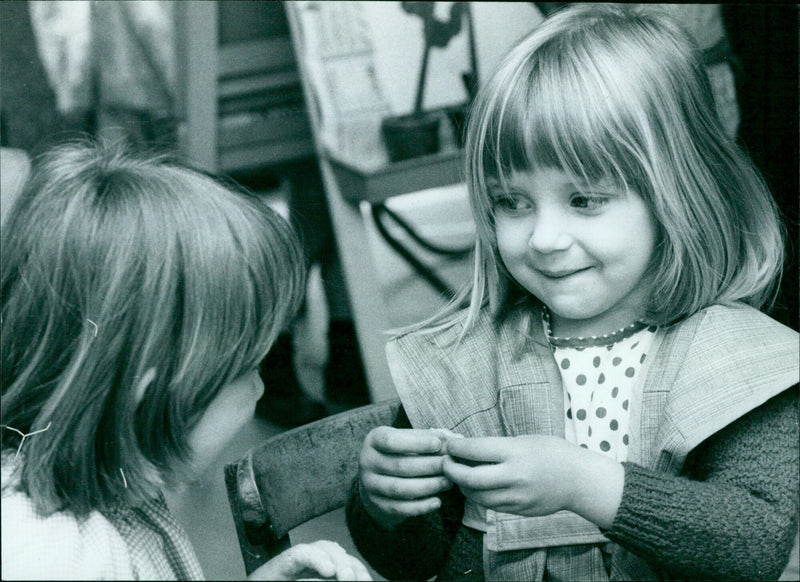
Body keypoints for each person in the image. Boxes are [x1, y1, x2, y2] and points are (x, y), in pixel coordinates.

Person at [345, 5, 799, 581]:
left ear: (678, 194)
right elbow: (413, 563)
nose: (543, 238)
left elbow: (755, 545)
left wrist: (587, 483)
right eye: (511, 202)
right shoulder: (465, 360)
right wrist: (385, 506)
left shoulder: (742, 361)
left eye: (584, 200)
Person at [0, 140, 371, 581]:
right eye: (248, 370)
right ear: (145, 400)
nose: (260, 388)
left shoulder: (106, 483)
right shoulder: (54, 561)